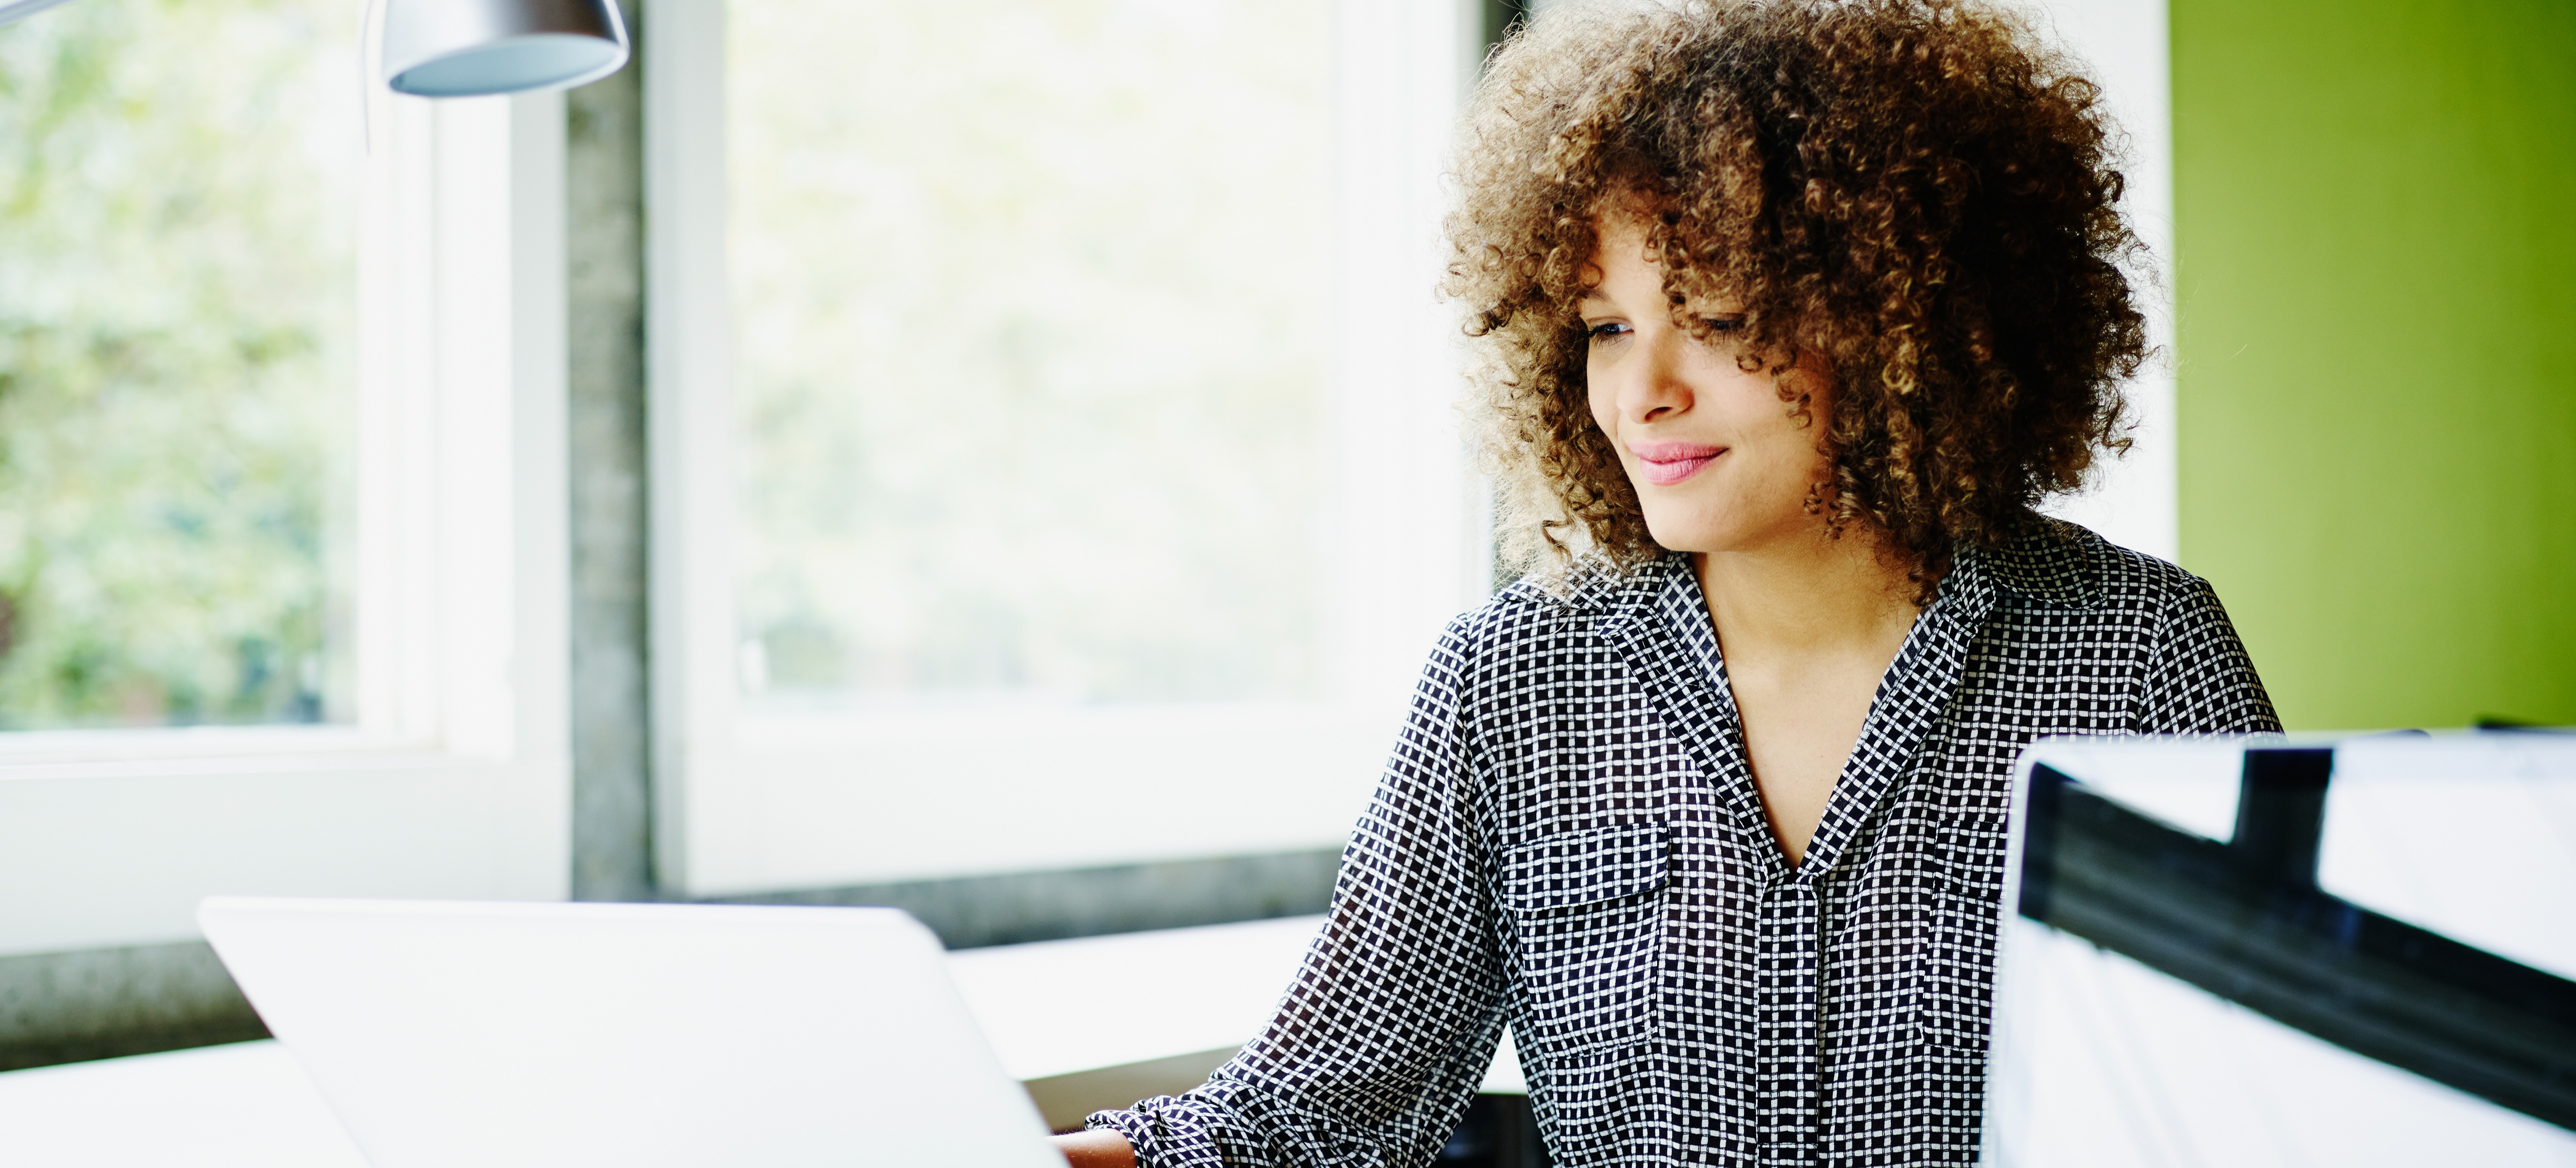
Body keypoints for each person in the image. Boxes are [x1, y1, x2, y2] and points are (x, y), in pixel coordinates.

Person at [1057, 0, 2276, 1163]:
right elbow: (1305, 1120)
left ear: (1896, 321)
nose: (1642, 392)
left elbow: (2269, 1099)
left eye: (1718, 315)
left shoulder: (2137, 651)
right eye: (1602, 326)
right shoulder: (1508, 683)